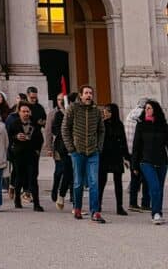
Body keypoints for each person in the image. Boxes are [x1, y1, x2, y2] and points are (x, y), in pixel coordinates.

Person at [62, 84, 105, 222]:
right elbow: (65, 129)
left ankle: (95, 211)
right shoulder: (73, 109)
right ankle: (78, 208)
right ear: (80, 95)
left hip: (93, 152)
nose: (88, 95)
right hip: (78, 151)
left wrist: (99, 146)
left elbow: (101, 130)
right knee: (78, 182)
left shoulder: (96, 111)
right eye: (86, 93)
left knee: (94, 182)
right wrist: (71, 147)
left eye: (90, 93)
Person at [131, 99, 168, 224]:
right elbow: (136, 146)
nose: (146, 110)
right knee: (155, 187)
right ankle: (156, 214)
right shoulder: (141, 126)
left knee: (160, 188)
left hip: (162, 161)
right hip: (146, 162)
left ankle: (158, 212)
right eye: (145, 108)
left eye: (149, 108)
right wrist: (134, 165)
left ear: (155, 110)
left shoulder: (163, 126)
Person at [7, 102, 44, 211]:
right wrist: (16, 137)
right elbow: (8, 138)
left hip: (32, 155)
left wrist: (37, 151)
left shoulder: (34, 124)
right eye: (23, 111)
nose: (26, 113)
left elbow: (40, 139)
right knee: (19, 177)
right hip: (18, 155)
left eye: (27, 111)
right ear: (19, 112)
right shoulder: (14, 124)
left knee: (33, 178)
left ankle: (36, 203)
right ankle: (17, 199)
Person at [99, 102, 128, 216]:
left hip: (116, 156)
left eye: (108, 110)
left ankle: (119, 206)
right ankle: (98, 204)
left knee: (118, 182)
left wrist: (126, 157)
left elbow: (123, 141)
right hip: (104, 155)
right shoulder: (102, 124)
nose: (105, 112)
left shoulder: (119, 124)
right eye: (105, 110)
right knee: (102, 181)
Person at [125, 97, 151, 211]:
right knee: (146, 178)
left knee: (134, 177)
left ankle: (132, 203)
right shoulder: (143, 115)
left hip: (131, 152)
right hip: (142, 152)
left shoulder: (129, 114)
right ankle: (145, 203)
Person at [50, 92, 73, 210]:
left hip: (76, 147)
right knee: (64, 171)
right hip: (63, 148)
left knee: (73, 173)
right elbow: (53, 130)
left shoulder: (77, 113)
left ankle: (73, 199)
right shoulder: (58, 114)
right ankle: (59, 192)